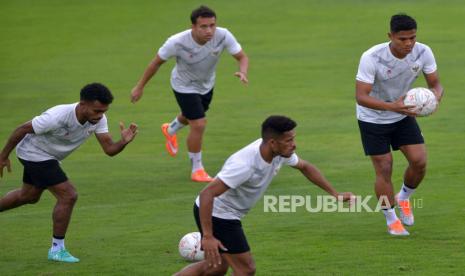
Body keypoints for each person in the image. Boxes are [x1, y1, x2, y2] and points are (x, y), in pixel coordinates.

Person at [175, 115, 354, 276]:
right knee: (245, 269)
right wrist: (207, 236)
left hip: (226, 213)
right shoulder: (245, 165)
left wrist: (335, 194)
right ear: (272, 143)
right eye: (288, 140)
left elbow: (305, 167)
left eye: (293, 139)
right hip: (219, 214)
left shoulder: (280, 152)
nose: (294, 144)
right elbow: (207, 194)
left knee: (216, 267)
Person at [0, 83, 138, 263]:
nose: (100, 115)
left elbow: (109, 149)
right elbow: (22, 129)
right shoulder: (57, 116)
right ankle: (57, 249)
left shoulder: (98, 119)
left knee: (29, 196)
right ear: (82, 104)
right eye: (96, 111)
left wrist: (123, 142)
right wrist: (3, 156)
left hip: (49, 157)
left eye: (103, 111)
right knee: (68, 195)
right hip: (34, 153)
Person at [130, 5, 249, 183]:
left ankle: (170, 130)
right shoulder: (177, 42)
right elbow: (155, 63)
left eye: (212, 25)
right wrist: (139, 87)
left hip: (206, 85)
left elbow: (242, 57)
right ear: (193, 26)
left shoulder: (223, 35)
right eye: (203, 26)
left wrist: (243, 72)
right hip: (183, 85)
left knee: (193, 115)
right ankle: (197, 169)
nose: (209, 30)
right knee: (199, 123)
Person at [355, 14, 444, 236]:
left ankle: (403, 198)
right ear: (391, 36)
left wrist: (434, 100)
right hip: (373, 118)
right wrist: (391, 107)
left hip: (403, 113)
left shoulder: (423, 51)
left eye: (412, 38)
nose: (408, 44)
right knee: (384, 168)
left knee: (419, 162)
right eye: (402, 39)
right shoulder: (372, 57)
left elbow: (436, 84)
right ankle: (391, 220)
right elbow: (361, 96)